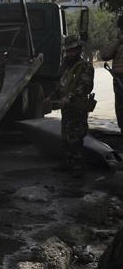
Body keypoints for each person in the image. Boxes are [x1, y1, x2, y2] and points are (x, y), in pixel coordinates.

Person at [57, 40, 95, 177]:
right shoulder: (66, 66)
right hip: (67, 107)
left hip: (77, 106)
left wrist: (70, 97)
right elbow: (61, 84)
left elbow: (85, 86)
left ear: (78, 50)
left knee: (76, 137)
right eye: (68, 51)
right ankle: (68, 162)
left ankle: (78, 166)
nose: (69, 53)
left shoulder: (85, 66)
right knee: (65, 136)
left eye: (72, 50)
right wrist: (50, 97)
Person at [99, 14, 123, 133]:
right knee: (120, 109)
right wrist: (118, 41)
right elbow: (104, 55)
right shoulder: (118, 43)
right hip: (119, 80)